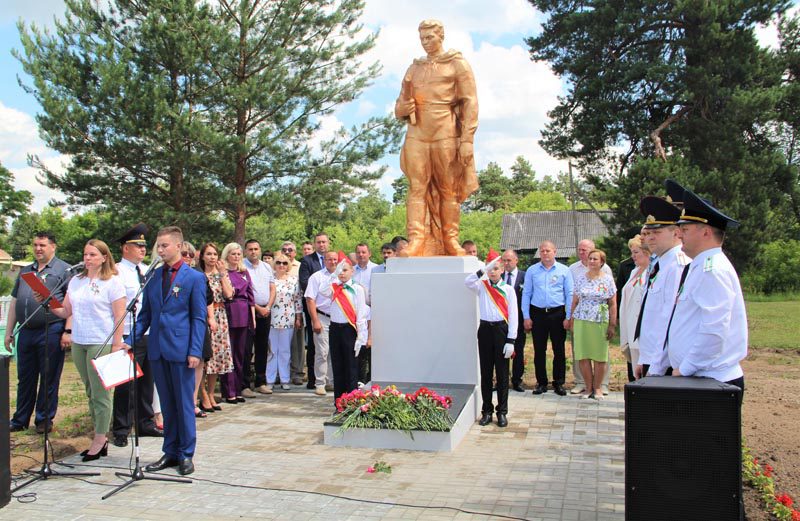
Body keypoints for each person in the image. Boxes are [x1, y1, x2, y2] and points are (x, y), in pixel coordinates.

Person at [395, 19, 478, 256]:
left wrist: (467, 139)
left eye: (429, 37)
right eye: (422, 38)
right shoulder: (414, 68)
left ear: (441, 36)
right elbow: (399, 105)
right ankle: (416, 240)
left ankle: (450, 239)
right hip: (417, 134)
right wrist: (403, 108)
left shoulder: (456, 64)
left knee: (448, 190)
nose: (425, 43)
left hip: (445, 133)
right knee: (416, 188)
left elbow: (470, 101)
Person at [133, 226, 207, 476]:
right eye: (158, 246)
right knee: (166, 403)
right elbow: (145, 315)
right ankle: (170, 451)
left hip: (182, 349)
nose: (160, 250)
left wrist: (195, 351)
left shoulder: (194, 278)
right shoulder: (153, 277)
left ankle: (186, 453)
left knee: (184, 403)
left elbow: (198, 318)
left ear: (178, 246)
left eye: (164, 245)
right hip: (158, 349)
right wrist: (129, 340)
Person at [44, 240, 127, 461]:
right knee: (90, 391)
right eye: (85, 254)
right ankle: (99, 434)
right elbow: (65, 311)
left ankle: (100, 438)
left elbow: (120, 316)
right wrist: (48, 301)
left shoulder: (113, 282)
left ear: (103, 257)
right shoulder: (76, 281)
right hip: (80, 341)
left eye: (92, 255)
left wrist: (117, 345)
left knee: (101, 393)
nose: (87, 259)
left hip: (102, 341)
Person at [659, 188, 747, 393]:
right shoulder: (701, 265)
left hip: (710, 379)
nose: (679, 234)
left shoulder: (712, 269)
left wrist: (686, 368)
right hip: (700, 377)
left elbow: (714, 328)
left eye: (686, 229)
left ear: (706, 232)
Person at [6, 231, 71, 434]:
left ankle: (43, 419)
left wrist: (67, 330)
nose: (38, 249)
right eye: (35, 245)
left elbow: (72, 302)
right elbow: (15, 301)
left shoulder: (64, 270)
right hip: (26, 330)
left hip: (50, 328)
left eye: (42, 245)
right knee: (25, 377)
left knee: (48, 376)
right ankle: (20, 419)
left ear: (53, 246)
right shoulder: (26, 270)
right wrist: (10, 331)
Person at [111, 224, 163, 448]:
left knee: (147, 382)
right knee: (126, 384)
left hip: (149, 332)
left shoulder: (146, 270)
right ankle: (121, 429)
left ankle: (145, 422)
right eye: (137, 245)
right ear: (125, 248)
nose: (142, 249)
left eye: (143, 245)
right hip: (128, 333)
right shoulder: (116, 271)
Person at [635, 196, 691, 379]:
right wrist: (644, 359)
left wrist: (656, 367)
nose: (650, 237)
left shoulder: (677, 265)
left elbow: (668, 320)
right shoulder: (660, 263)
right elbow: (652, 316)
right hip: (652, 358)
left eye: (657, 232)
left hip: (664, 364)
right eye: (648, 232)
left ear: (675, 233)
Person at [465, 250, 517, 428]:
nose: (493, 272)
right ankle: (486, 410)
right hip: (485, 329)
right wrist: (482, 270)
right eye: (490, 269)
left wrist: (511, 340)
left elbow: (514, 316)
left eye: (496, 268)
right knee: (486, 373)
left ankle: (502, 412)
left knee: (502, 374)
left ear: (502, 269)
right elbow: (468, 281)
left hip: (501, 330)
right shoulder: (482, 286)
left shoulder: (508, 290)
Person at [521, 241, 573, 396]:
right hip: (538, 314)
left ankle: (559, 383)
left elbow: (569, 293)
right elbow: (526, 294)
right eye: (542, 251)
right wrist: (526, 316)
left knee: (559, 349)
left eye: (548, 250)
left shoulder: (564, 270)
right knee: (539, 350)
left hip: (557, 313)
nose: (545, 253)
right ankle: (541, 383)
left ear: (555, 252)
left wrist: (568, 316)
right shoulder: (532, 270)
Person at [319, 253, 369, 403]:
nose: (342, 273)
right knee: (337, 365)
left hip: (350, 330)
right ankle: (339, 402)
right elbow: (322, 290)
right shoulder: (333, 287)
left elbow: (361, 313)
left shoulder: (357, 289)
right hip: (335, 329)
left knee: (351, 367)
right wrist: (333, 274)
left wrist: (361, 336)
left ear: (352, 271)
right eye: (340, 270)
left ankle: (352, 401)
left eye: (345, 270)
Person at [568, 250, 617, 400]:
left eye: (595, 259)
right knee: (583, 355)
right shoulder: (581, 278)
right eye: (590, 258)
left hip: (599, 320)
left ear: (602, 262)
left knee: (599, 356)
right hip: (581, 320)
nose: (592, 261)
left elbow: (613, 303)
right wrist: (571, 320)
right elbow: (575, 301)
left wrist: (612, 324)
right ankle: (588, 387)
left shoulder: (607, 279)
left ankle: (598, 388)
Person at [198, 242, 233, 413]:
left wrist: (222, 275)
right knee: (205, 359)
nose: (212, 257)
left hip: (221, 315)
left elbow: (229, 294)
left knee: (217, 359)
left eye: (215, 254)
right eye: (209, 254)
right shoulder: (199, 275)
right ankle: (202, 394)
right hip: (204, 317)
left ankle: (211, 393)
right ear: (202, 256)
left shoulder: (220, 274)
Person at [220, 242, 255, 404]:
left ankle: (239, 387)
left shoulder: (244, 272)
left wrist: (252, 317)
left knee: (241, 354)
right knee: (230, 353)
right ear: (227, 255)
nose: (236, 256)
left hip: (245, 312)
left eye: (238, 254)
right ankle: (229, 391)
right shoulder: (223, 272)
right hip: (230, 311)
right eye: (233, 253)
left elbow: (250, 296)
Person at [244, 239, 276, 396]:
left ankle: (260, 382)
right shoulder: (242, 266)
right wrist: (257, 308)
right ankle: (245, 384)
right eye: (250, 249)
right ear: (246, 251)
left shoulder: (266, 267)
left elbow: (272, 288)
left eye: (256, 249)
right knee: (246, 348)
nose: (253, 252)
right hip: (248, 311)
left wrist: (268, 307)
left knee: (262, 347)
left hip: (266, 311)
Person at [267, 253, 303, 392]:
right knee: (272, 350)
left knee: (285, 350)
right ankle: (270, 379)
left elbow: (298, 300)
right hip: (272, 318)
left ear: (288, 265)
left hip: (288, 318)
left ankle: (284, 378)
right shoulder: (270, 280)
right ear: (274, 265)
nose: (281, 265)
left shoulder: (294, 280)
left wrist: (298, 318)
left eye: (284, 263)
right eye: (278, 263)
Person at [304, 251, 339, 396]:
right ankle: (320, 383)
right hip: (322, 317)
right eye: (329, 259)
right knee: (322, 352)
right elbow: (310, 299)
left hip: (338, 318)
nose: (332, 262)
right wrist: (315, 320)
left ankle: (331, 381)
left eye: (335, 259)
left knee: (334, 351)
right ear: (324, 261)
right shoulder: (316, 277)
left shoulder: (342, 276)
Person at [299, 232, 330, 389]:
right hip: (314, 310)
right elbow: (305, 284)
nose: (322, 244)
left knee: (328, 348)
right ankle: (313, 380)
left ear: (328, 243)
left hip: (333, 312)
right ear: (315, 243)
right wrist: (319, 301)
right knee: (314, 346)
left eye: (324, 242)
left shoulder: (334, 261)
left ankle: (329, 379)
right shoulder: (306, 261)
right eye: (319, 242)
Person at [618, 235, 651, 382]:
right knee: (634, 372)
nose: (633, 256)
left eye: (636, 252)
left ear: (647, 252)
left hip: (644, 331)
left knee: (645, 373)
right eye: (632, 252)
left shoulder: (652, 272)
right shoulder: (633, 271)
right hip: (631, 327)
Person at [501, 249, 527, 392]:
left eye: (509, 260)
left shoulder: (525, 276)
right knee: (501, 351)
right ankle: (502, 380)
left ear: (516, 260)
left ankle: (517, 380)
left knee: (518, 350)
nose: (506, 263)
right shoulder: (498, 276)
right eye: (504, 260)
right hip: (502, 320)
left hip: (520, 319)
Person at [280, 241, 305, 384]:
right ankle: (281, 372)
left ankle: (298, 373)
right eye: (284, 249)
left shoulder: (300, 266)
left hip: (296, 309)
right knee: (279, 344)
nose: (287, 252)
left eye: (290, 250)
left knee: (297, 343)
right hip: (278, 312)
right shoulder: (275, 266)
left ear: (295, 253)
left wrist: (299, 315)